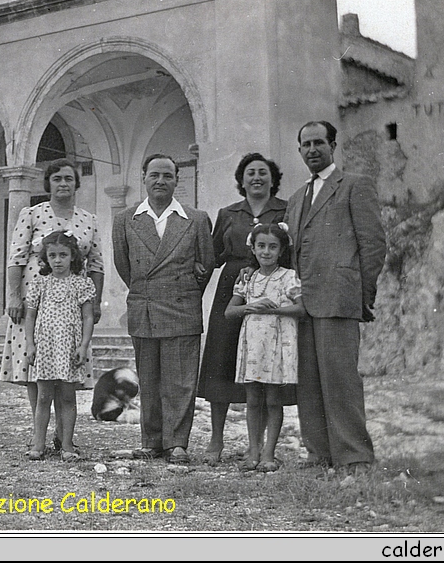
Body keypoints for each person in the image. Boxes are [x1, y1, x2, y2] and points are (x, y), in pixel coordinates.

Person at [285, 121, 387, 476]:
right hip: (305, 302)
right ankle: (319, 452)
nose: (312, 149)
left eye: (318, 143)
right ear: (299, 150)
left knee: (340, 379)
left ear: (332, 146)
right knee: (309, 381)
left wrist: (362, 294)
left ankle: (355, 455)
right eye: (305, 144)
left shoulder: (355, 186)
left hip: (339, 297)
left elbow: (373, 244)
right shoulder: (297, 198)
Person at [112, 154, 214, 464]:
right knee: (150, 378)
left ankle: (176, 443)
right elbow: (123, 265)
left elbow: (206, 265)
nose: (160, 181)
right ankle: (151, 441)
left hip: (182, 307)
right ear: (143, 177)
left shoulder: (195, 219)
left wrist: (181, 289)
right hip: (144, 306)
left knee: (180, 380)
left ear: (176, 180)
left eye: (167, 176)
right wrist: (147, 290)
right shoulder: (125, 219)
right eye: (154, 175)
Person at [0, 158, 104, 451]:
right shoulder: (32, 214)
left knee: (67, 371)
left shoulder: (88, 219)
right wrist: (13, 296)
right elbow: (17, 257)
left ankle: (63, 436)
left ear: (76, 184)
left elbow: (96, 264)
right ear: (48, 183)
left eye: (69, 179)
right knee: (38, 374)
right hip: (34, 304)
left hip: (72, 308)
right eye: (57, 178)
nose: (63, 184)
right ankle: (39, 437)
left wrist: (94, 302)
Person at [197, 153, 292, 464]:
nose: (256, 178)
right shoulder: (228, 213)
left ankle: (258, 447)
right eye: (250, 173)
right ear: (241, 179)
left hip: (270, 287)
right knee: (220, 360)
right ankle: (216, 440)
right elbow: (213, 257)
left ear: (272, 178)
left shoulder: (285, 209)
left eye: (263, 173)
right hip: (233, 289)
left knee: (263, 365)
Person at [224, 222, 304, 473]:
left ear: (281, 251)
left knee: (272, 398)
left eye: (272, 247)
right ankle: (253, 452)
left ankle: (269, 453)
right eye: (261, 246)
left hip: (277, 344)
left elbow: (301, 308)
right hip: (253, 345)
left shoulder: (288, 276)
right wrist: (251, 307)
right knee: (253, 398)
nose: (266, 252)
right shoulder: (248, 277)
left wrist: (276, 310)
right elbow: (229, 312)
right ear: (253, 248)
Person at [24, 231, 96, 461]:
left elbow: (87, 317)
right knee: (43, 397)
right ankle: (38, 443)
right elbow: (30, 317)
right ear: (45, 258)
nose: (57, 260)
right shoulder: (39, 284)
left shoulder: (81, 284)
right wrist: (30, 345)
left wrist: (83, 346)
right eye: (52, 255)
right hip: (46, 347)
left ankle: (66, 445)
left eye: (63, 255)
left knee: (67, 398)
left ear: (72, 257)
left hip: (69, 348)